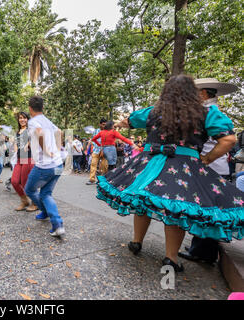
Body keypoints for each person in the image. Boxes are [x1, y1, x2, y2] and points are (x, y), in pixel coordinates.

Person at [99, 74, 242, 272]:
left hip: (148, 164)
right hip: (182, 168)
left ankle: (136, 241)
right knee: (176, 209)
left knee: (143, 201)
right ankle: (171, 258)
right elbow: (229, 140)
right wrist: (207, 159)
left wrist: (119, 124)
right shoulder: (205, 113)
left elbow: (128, 121)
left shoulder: (153, 112)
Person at [178, 78, 240, 265]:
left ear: (203, 94)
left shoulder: (210, 112)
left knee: (208, 211)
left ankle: (203, 253)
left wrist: (206, 159)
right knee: (204, 209)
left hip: (211, 170)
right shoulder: (209, 111)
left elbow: (229, 140)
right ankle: (199, 246)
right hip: (211, 170)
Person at [24, 96, 65, 237]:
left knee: (29, 189)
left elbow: (39, 133)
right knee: (46, 193)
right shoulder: (47, 121)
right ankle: (50, 217)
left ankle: (54, 221)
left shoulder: (33, 121)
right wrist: (57, 149)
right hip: (58, 164)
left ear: (30, 108)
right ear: (42, 108)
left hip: (44, 166)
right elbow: (59, 132)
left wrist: (46, 150)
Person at [11, 112, 38, 212]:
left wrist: (28, 143)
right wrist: (15, 148)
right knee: (14, 181)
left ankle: (35, 203)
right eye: (20, 118)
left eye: (24, 118)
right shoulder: (18, 132)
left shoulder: (31, 129)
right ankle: (25, 201)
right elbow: (17, 144)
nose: (22, 120)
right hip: (19, 158)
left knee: (25, 182)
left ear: (28, 119)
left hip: (29, 158)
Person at [86, 119, 107, 185]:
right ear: (100, 124)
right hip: (96, 150)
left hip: (105, 151)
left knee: (104, 166)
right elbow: (93, 140)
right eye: (103, 124)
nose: (104, 126)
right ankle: (92, 180)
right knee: (93, 164)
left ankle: (102, 180)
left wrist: (102, 149)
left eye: (105, 124)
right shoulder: (96, 131)